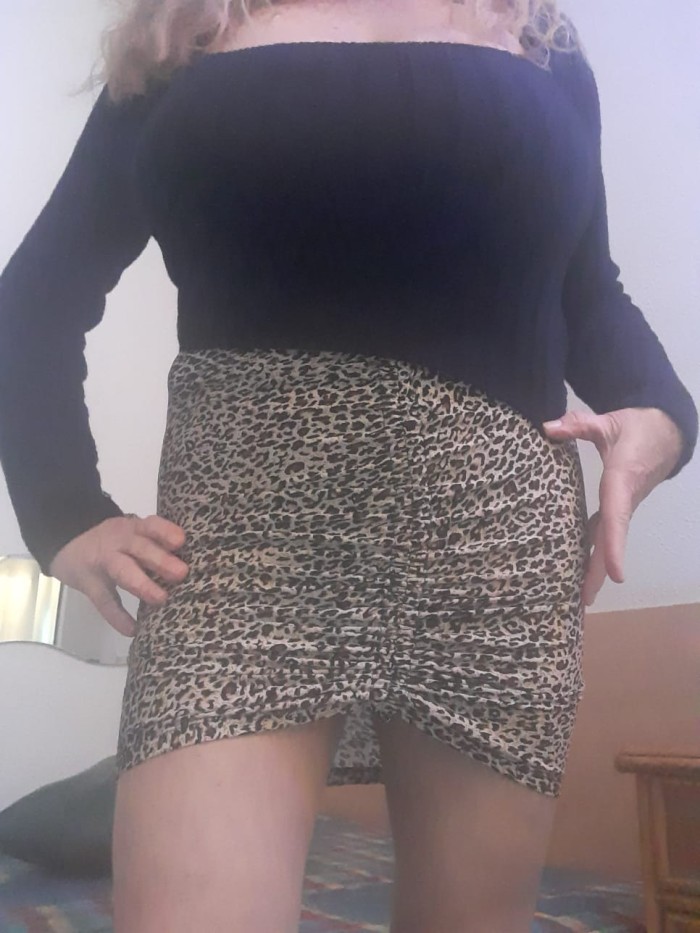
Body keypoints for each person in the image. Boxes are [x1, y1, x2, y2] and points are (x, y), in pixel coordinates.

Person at [0, 0, 696, 930]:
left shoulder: (539, 38)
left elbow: (589, 290)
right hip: (239, 557)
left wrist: (663, 415)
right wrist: (62, 509)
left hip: (491, 553)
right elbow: (38, 292)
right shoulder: (183, 32)